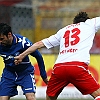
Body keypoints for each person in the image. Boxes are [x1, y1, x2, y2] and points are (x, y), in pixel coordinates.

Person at [14, 12, 100, 100]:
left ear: (74, 22)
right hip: (77, 66)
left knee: (50, 98)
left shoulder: (63, 30)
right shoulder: (90, 23)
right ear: (86, 20)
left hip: (59, 68)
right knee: (98, 95)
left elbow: (39, 44)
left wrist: (22, 55)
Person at [0, 23, 48, 100]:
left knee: (30, 98)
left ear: (9, 35)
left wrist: (43, 75)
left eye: (2, 39)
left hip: (25, 73)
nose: (0, 42)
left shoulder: (23, 42)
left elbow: (38, 56)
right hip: (9, 74)